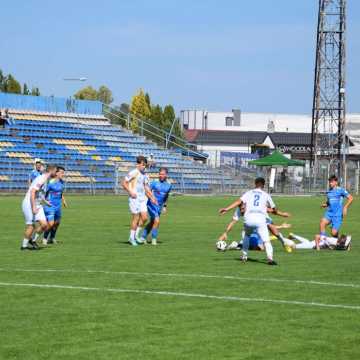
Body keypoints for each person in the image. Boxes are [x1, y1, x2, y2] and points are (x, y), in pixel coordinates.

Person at [219, 177, 281, 265]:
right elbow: (274, 208)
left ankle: (244, 256)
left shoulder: (248, 193)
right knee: (266, 241)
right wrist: (275, 211)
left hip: (249, 219)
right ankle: (270, 259)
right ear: (263, 185)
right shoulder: (266, 195)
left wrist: (226, 209)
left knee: (247, 236)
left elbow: (238, 202)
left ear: (255, 184)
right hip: (260, 219)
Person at [122, 156, 158, 246]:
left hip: (142, 199)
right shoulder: (134, 172)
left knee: (145, 218)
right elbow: (124, 183)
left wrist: (152, 197)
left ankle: (136, 235)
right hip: (135, 199)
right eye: (142, 165)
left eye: (145, 165)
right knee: (136, 218)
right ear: (138, 164)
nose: (144, 167)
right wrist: (130, 192)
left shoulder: (144, 175)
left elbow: (146, 188)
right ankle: (131, 238)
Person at [21, 164, 57, 250]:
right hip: (29, 203)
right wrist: (33, 207)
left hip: (38, 204)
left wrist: (45, 202)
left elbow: (40, 193)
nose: (56, 173)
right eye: (55, 171)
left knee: (44, 225)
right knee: (31, 226)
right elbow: (33, 192)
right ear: (51, 171)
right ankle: (24, 246)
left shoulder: (46, 180)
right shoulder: (42, 179)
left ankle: (32, 240)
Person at [139, 167, 172, 245]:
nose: (161, 175)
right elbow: (147, 191)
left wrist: (164, 206)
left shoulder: (169, 185)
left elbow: (166, 196)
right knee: (157, 221)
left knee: (153, 222)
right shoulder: (154, 183)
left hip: (159, 206)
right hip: (151, 204)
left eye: (163, 174)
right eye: (160, 174)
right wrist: (151, 199)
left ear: (166, 175)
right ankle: (154, 240)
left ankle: (143, 237)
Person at [319, 175, 353, 249]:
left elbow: (351, 198)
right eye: (329, 182)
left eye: (331, 182)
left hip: (337, 214)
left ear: (336, 182)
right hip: (329, 213)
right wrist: (325, 204)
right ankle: (323, 242)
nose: (330, 183)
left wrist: (345, 207)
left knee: (334, 233)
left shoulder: (341, 190)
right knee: (322, 222)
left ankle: (345, 240)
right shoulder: (329, 192)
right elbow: (329, 202)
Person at [43, 166, 67, 245]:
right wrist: (45, 201)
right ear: (56, 173)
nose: (63, 174)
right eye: (61, 173)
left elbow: (61, 192)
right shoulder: (50, 182)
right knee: (51, 224)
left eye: (63, 173)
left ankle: (52, 238)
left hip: (58, 206)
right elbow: (44, 193)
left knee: (57, 223)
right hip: (50, 206)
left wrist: (63, 200)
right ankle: (45, 238)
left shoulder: (62, 182)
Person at [284, 233, 352, 251]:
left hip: (314, 243)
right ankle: (282, 239)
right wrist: (317, 247)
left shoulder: (338, 243)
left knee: (307, 242)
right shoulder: (332, 241)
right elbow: (317, 236)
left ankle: (293, 235)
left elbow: (347, 246)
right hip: (314, 244)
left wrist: (348, 246)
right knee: (294, 246)